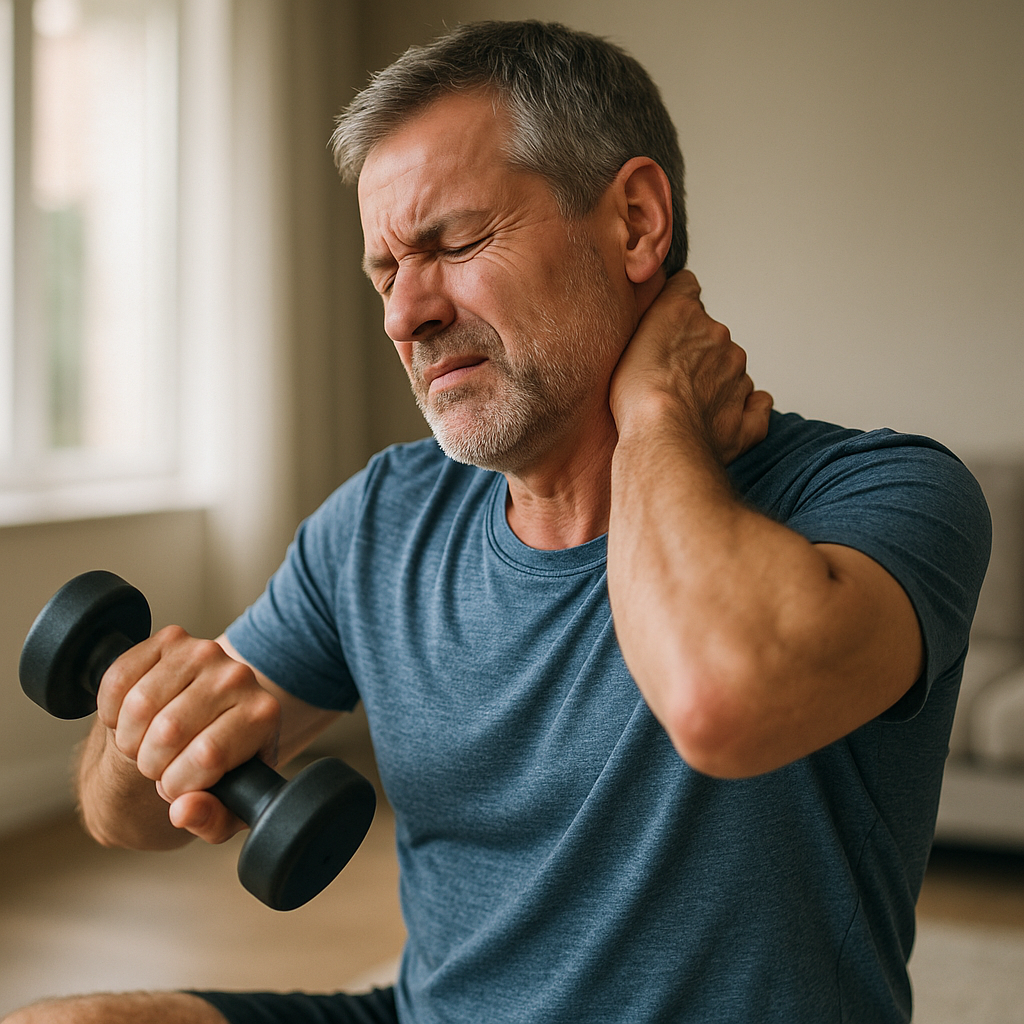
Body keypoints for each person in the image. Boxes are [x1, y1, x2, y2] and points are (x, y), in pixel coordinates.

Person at [7, 20, 990, 1024]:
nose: (404, 316)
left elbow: (720, 699)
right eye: (385, 271)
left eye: (454, 243)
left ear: (637, 223)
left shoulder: (884, 494)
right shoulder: (381, 521)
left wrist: (652, 408)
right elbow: (127, 819)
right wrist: (141, 735)